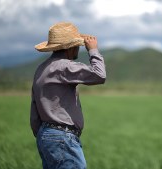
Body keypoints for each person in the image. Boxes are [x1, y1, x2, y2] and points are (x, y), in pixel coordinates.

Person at [30, 22, 106, 169]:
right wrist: (93, 50)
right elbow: (99, 75)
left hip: (45, 135)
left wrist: (43, 135)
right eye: (77, 45)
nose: (78, 48)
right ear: (70, 48)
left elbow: (34, 109)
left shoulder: (41, 69)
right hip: (62, 137)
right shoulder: (65, 66)